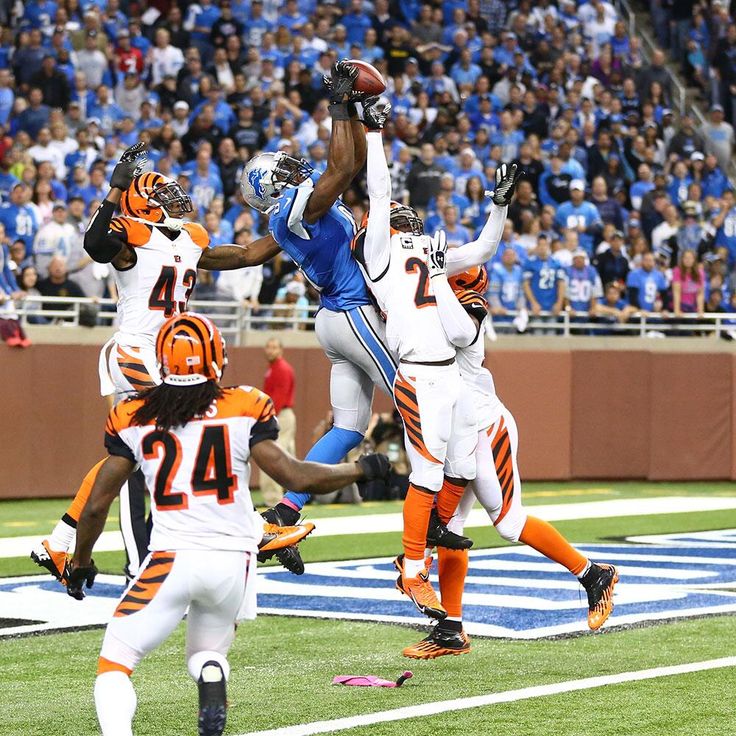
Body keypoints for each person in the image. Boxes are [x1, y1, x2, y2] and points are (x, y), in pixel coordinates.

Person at [66, 312, 390, 736]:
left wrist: (80, 560)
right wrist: (360, 470)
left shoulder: (133, 414)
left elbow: (95, 505)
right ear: (217, 357)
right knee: (205, 654)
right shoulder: (243, 405)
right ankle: (213, 676)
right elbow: (295, 476)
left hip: (172, 557)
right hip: (234, 563)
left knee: (116, 661)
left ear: (161, 361)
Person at [31, 142, 290, 585]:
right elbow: (95, 243)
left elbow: (246, 255)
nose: (175, 199)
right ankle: (251, 529)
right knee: (182, 433)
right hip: (135, 349)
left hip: (167, 354)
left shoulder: (189, 240)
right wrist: (115, 188)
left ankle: (59, 539)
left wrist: (295, 229)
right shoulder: (132, 238)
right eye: (163, 195)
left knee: (133, 452)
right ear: (143, 206)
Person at [401, 255, 619, 658]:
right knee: (451, 527)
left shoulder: (467, 306)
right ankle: (451, 628)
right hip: (456, 430)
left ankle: (594, 575)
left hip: (485, 428)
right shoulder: (434, 300)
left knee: (508, 523)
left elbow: (450, 329)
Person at [353, 105, 518, 620]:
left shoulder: (427, 253)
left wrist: (499, 204)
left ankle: (435, 533)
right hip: (420, 372)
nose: (403, 213)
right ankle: (409, 569)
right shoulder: (379, 254)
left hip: (448, 374)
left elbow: (485, 248)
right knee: (426, 473)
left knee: (460, 466)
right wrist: (374, 131)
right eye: (395, 214)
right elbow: (379, 193)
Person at [239, 62, 397, 573]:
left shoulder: (286, 219)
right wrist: (341, 106)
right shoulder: (295, 207)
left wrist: (350, 108)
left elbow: (248, 253)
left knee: (348, 428)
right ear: (273, 187)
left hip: (334, 320)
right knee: (419, 397)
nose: (292, 168)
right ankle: (438, 509)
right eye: (282, 170)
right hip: (352, 313)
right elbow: (342, 171)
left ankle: (284, 514)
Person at [260, 338, 296, 506]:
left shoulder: (280, 369)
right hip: (283, 415)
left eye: (274, 347)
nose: (270, 350)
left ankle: (273, 499)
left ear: (281, 350)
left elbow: (278, 398)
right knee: (289, 458)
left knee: (271, 456)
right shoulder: (274, 368)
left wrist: (268, 418)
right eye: (268, 347)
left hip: (280, 415)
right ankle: (297, 495)